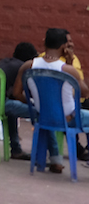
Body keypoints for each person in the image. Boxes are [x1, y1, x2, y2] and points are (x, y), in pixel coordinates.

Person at [13, 28, 89, 172]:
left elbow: (17, 93)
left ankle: (55, 160)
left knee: (49, 118)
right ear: (64, 47)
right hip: (69, 117)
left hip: (43, 116)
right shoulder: (68, 70)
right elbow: (85, 92)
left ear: (44, 43)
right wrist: (70, 61)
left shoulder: (28, 66)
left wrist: (36, 104)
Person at [0, 42, 61, 169]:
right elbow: (24, 94)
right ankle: (55, 158)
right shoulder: (22, 68)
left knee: (12, 111)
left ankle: (16, 149)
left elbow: (14, 94)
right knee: (42, 114)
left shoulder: (6, 62)